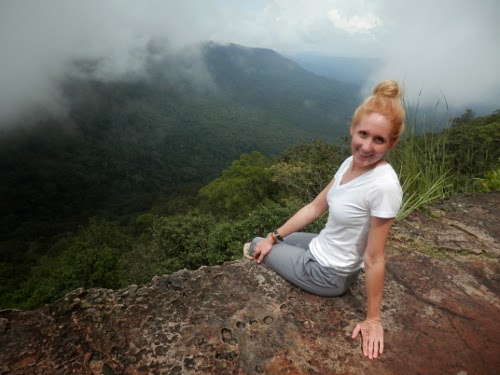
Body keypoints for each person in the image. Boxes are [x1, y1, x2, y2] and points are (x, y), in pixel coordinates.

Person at [245, 80, 405, 361]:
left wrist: (373, 320)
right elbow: (314, 208)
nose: (367, 146)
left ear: (392, 142)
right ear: (351, 129)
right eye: (363, 134)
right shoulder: (349, 163)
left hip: (330, 273)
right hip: (320, 245)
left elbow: (375, 258)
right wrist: (274, 237)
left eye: (378, 140)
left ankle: (258, 249)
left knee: (255, 244)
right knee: (271, 239)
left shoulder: (384, 186)